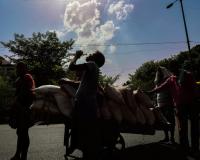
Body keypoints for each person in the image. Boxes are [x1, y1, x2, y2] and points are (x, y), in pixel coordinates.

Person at [68, 50, 105, 160]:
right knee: (83, 129)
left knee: (80, 127)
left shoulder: (92, 64)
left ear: (95, 58)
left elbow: (71, 67)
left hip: (85, 103)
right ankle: (78, 146)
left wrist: (76, 56)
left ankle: (77, 146)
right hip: (87, 103)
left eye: (92, 54)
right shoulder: (93, 68)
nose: (89, 54)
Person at [10, 62, 35, 160]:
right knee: (20, 133)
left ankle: (23, 156)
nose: (18, 70)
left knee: (23, 133)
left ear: (25, 68)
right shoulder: (21, 78)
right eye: (17, 68)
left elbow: (26, 93)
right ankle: (17, 154)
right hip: (20, 109)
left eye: (20, 68)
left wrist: (18, 104)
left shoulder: (27, 77)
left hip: (24, 109)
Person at [149, 66, 179, 144]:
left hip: (168, 103)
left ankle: (172, 138)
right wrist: (155, 102)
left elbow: (169, 92)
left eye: (160, 73)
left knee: (171, 121)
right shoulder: (157, 82)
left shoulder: (167, 80)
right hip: (160, 104)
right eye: (158, 73)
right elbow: (157, 93)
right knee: (164, 122)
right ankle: (166, 137)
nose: (159, 74)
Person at [177, 61, 199, 157]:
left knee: (183, 127)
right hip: (191, 103)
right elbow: (195, 90)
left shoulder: (179, 79)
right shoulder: (189, 75)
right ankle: (195, 149)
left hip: (181, 104)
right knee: (194, 126)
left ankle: (184, 148)